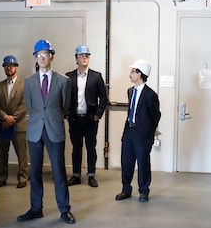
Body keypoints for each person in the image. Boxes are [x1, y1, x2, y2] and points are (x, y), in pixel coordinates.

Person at [19, 39, 75, 224]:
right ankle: (36, 209)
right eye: (38, 54)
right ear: (35, 57)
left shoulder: (63, 81)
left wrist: (52, 117)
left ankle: (64, 210)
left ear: (51, 56)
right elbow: (31, 105)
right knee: (34, 171)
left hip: (54, 130)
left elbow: (65, 106)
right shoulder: (28, 82)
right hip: (35, 131)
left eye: (45, 54)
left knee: (58, 171)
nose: (42, 57)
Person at [117, 59, 162, 203]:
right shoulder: (130, 91)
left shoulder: (151, 95)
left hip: (143, 135)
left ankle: (144, 191)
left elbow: (156, 116)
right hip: (129, 132)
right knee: (126, 162)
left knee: (143, 163)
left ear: (139, 74)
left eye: (132, 71)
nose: (130, 74)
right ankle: (126, 190)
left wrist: (149, 132)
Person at [65, 44, 108, 188]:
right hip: (75, 119)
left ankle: (91, 175)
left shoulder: (96, 76)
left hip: (90, 119)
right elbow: (64, 97)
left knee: (91, 147)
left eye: (87, 56)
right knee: (76, 148)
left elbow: (103, 98)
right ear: (76, 58)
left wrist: (98, 115)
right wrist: (66, 113)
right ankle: (76, 175)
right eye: (82, 56)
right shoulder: (69, 77)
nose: (84, 58)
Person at [0, 54, 28, 189]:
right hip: (3, 125)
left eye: (11, 66)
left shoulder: (24, 85)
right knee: (2, 153)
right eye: (6, 66)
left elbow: (25, 105)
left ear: (16, 68)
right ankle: (2, 177)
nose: (9, 68)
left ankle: (23, 177)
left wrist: (12, 118)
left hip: (19, 125)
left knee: (22, 154)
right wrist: (4, 117)